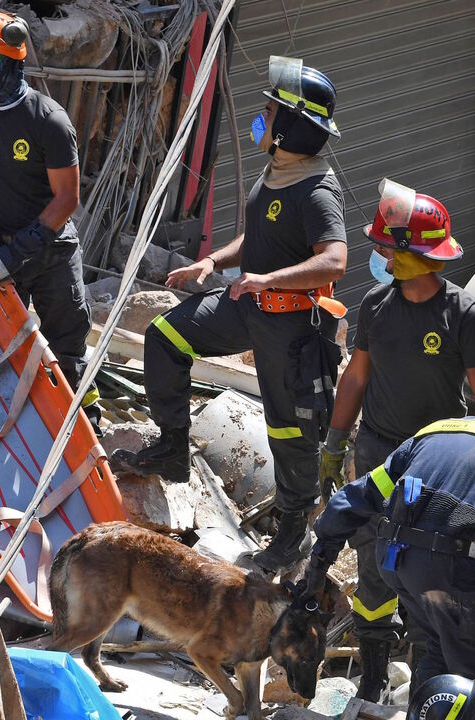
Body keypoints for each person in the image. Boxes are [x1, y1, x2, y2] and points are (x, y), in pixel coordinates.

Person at [113, 55, 347, 574]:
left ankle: (291, 536)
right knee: (165, 337)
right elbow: (260, 236)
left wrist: (268, 280)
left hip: (288, 326)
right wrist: (213, 259)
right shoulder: (276, 175)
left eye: (270, 110)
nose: (260, 117)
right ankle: (172, 445)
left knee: (289, 432)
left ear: (291, 125)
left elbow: (335, 258)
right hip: (247, 308)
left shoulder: (317, 189)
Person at [317, 183, 475, 701]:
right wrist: (334, 444)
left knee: (427, 569)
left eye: (386, 248)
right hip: (377, 452)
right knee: (375, 564)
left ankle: (428, 683)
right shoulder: (377, 305)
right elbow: (355, 378)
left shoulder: (465, 316)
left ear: (417, 256)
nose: (378, 255)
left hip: (438, 465)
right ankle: (373, 674)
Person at [299, 378, 475, 688]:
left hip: (392, 559)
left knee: (439, 650)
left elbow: (364, 492)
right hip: (440, 567)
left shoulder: (435, 430)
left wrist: (319, 560)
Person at [0, 10, 101, 425]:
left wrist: (18, 253)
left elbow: (67, 199)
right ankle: (9, 425)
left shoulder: (48, 121)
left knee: (67, 349)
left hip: (50, 254)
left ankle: (85, 428)